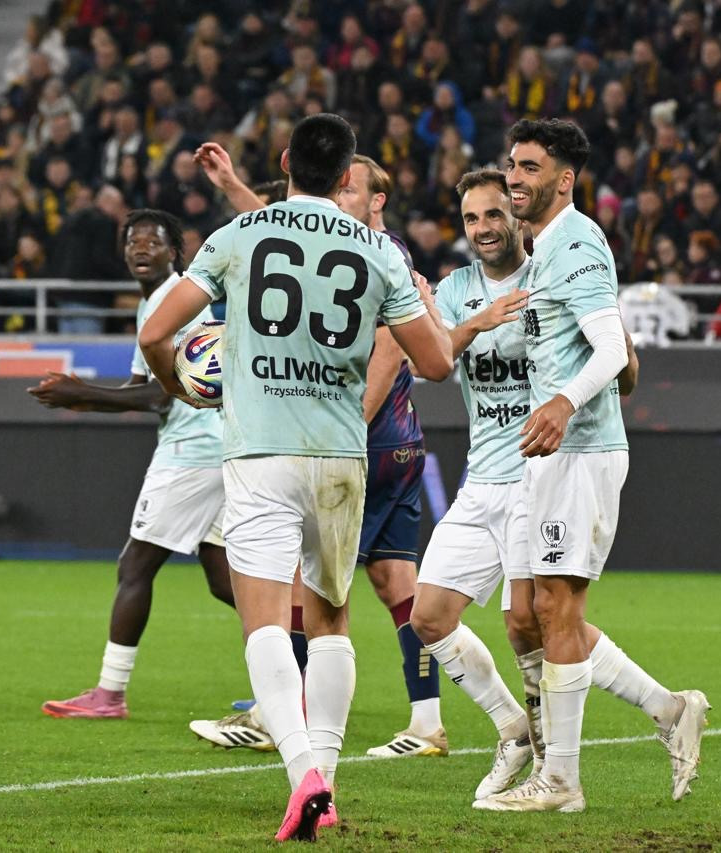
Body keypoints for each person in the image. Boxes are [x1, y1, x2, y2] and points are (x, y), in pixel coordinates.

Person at [138, 114, 453, 842]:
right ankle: (328, 782)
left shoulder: (237, 236)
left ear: (284, 162)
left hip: (261, 455)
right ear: (346, 177)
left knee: (267, 623)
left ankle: (303, 773)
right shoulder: (378, 251)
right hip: (340, 458)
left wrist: (179, 384)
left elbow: (157, 333)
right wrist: (426, 308)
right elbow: (436, 363)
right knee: (333, 619)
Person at [473, 119, 708, 813]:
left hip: (578, 449)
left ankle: (561, 781)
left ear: (564, 179)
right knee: (527, 615)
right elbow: (615, 352)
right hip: (546, 452)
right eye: (512, 164)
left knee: (556, 608)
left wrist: (564, 402)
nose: (515, 177)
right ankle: (669, 708)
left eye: (530, 167)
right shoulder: (545, 249)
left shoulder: (575, 241)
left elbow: (608, 350)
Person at [35, 209, 234, 719]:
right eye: (133, 241)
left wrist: (82, 391)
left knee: (135, 566)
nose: (141, 248)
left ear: (175, 251)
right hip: (218, 449)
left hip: (193, 452)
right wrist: (83, 399)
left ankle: (110, 694)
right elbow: (137, 388)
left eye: (153, 240)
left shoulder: (175, 302)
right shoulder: (156, 303)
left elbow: (165, 395)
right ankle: (302, 652)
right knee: (224, 580)